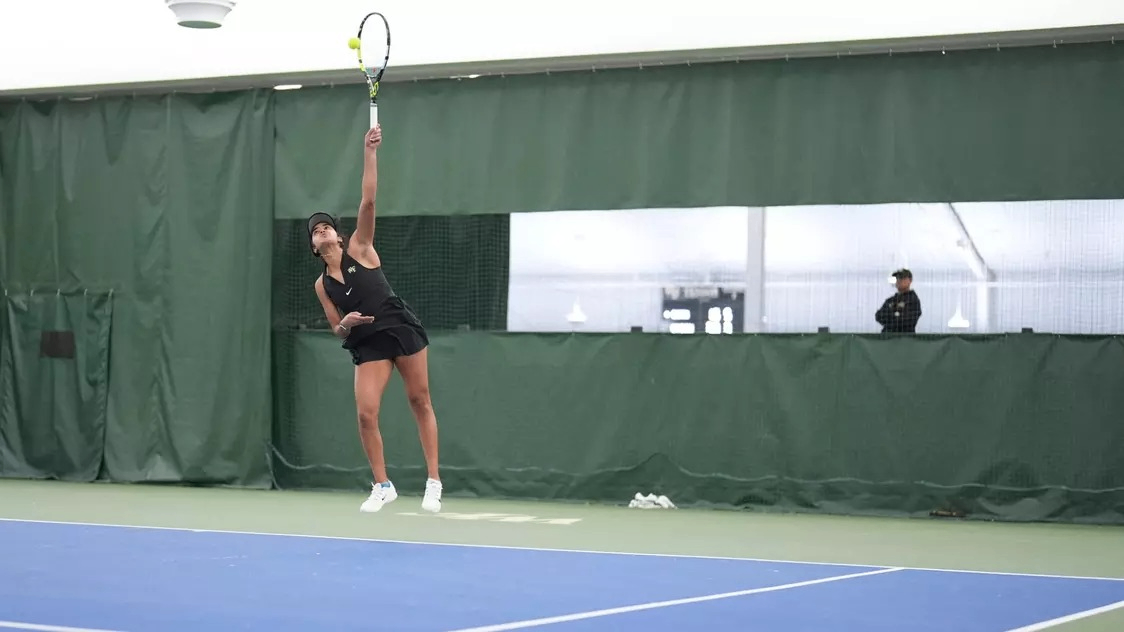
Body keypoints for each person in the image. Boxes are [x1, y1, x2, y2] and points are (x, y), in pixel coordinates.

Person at [307, 125, 442, 514]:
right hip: (367, 344)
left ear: (338, 234)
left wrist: (370, 152)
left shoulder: (360, 248)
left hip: (399, 327)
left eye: (327, 225)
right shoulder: (321, 285)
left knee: (420, 400)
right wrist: (347, 322)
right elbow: (337, 329)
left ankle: (433, 481)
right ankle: (382, 485)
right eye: (315, 231)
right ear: (314, 247)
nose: (322, 230)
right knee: (366, 414)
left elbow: (368, 201)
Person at [875, 268, 922, 333]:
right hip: (887, 338)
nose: (899, 280)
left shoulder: (913, 300)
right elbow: (879, 316)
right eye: (897, 278)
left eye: (902, 278)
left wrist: (890, 316)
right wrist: (896, 315)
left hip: (905, 339)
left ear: (910, 280)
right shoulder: (891, 300)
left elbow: (906, 321)